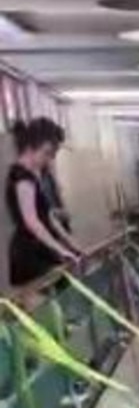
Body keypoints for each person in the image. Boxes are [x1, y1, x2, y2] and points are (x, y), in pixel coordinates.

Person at [5, 118, 81, 288]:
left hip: (40, 248)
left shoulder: (34, 175)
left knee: (63, 289)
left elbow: (48, 217)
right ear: (31, 147)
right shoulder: (21, 177)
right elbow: (32, 221)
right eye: (46, 153)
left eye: (52, 155)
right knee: (43, 309)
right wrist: (59, 249)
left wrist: (70, 243)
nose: (48, 159)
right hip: (28, 254)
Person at [39, 120, 72, 233]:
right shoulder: (35, 177)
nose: (54, 156)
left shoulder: (47, 176)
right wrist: (56, 213)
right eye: (53, 151)